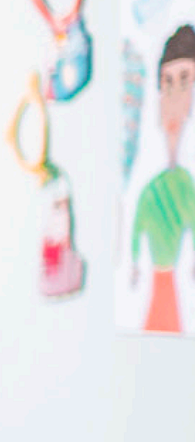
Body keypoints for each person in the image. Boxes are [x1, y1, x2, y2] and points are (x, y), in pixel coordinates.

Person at [131, 24, 194, 333]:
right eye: (167, 83)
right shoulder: (151, 185)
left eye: (185, 82)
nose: (175, 98)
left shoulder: (183, 184)